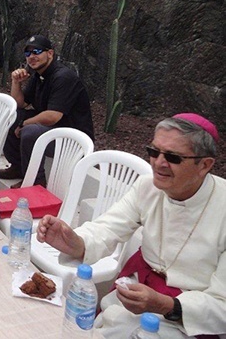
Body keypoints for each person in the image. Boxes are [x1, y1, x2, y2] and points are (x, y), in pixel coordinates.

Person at [37, 114, 224, 338]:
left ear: (204, 165)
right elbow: (108, 227)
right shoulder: (147, 186)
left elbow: (222, 303)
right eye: (154, 152)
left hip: (188, 318)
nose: (159, 163)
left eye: (173, 157)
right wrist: (73, 241)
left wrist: (165, 305)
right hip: (135, 295)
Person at [1, 34, 94, 186]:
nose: (31, 57)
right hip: (54, 129)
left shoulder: (63, 77)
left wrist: (24, 124)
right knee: (11, 116)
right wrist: (16, 82)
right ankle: (18, 167)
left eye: (36, 51)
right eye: (28, 53)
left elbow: (53, 116)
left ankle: (35, 183)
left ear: (50, 53)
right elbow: (20, 104)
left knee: (30, 131)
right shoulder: (39, 75)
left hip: (73, 139)